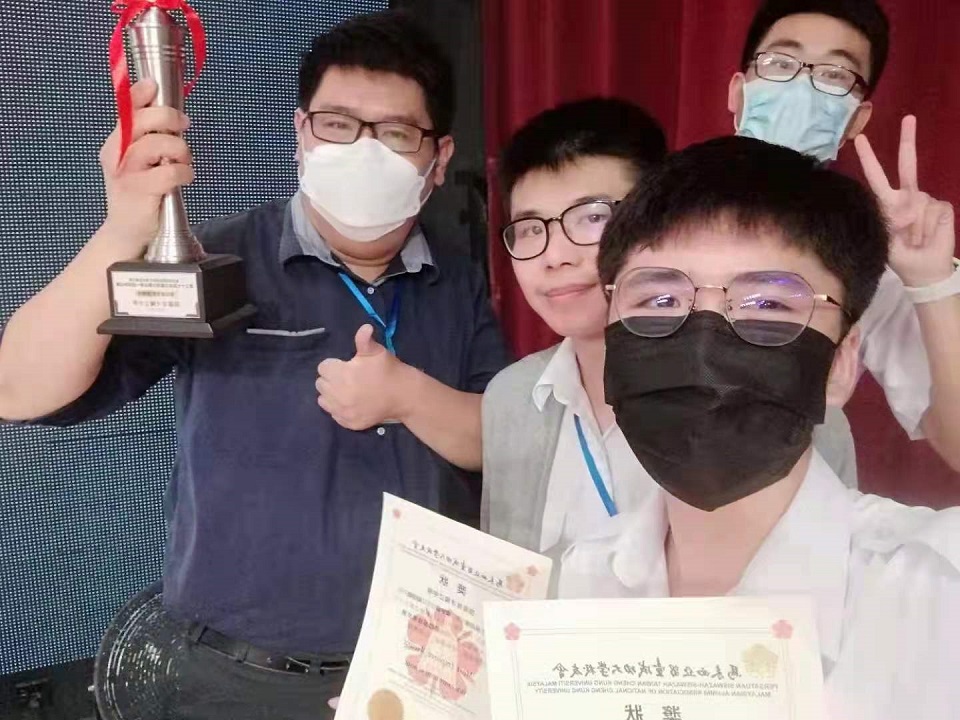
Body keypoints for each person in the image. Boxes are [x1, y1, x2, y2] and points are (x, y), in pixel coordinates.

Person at [0, 10, 508, 719]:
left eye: (396, 133)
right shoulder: (219, 261)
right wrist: (122, 230)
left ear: (439, 156)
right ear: (302, 134)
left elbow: (498, 439)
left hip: (420, 666)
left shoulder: (458, 280)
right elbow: (19, 390)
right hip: (237, 677)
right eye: (338, 125)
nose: (363, 151)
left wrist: (407, 395)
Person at [560, 135, 960, 718]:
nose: (703, 344)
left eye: (768, 305)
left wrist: (934, 284)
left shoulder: (937, 596)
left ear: (841, 362)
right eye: (661, 300)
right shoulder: (577, 583)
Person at [481, 98, 856, 574]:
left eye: (593, 217)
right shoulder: (511, 398)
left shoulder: (784, 404)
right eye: (531, 228)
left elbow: (831, 578)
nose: (555, 256)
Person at [729, 0, 960, 472]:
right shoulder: (651, 218)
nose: (802, 87)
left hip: (801, 503)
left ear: (857, 119)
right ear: (739, 91)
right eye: (781, 63)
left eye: (835, 75)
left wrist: (932, 283)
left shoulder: (862, 254)